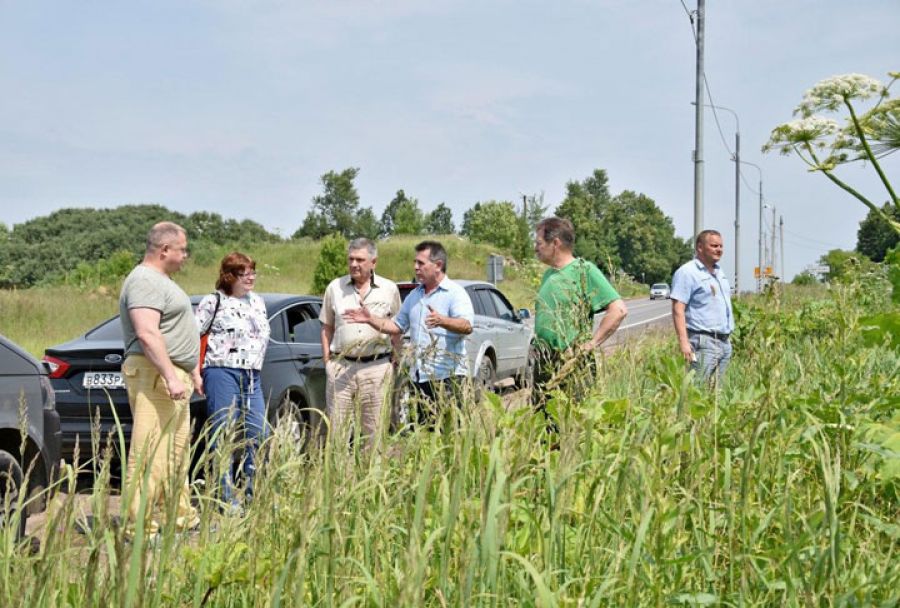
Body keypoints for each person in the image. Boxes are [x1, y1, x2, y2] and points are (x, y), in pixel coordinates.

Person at [119, 221, 200, 537]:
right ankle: (138, 528)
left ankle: (179, 518)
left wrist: (189, 369)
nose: (185, 256)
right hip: (156, 375)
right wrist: (169, 374)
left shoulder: (159, 280)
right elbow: (147, 332)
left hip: (171, 375)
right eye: (182, 249)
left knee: (175, 453)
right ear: (165, 249)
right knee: (151, 453)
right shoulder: (145, 280)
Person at [342, 240, 474, 427]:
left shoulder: (455, 293)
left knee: (452, 437)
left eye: (420, 263)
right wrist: (370, 319)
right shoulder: (414, 296)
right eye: (415, 262)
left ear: (438, 265)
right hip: (420, 379)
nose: (415, 267)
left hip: (448, 379)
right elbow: (396, 326)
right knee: (426, 438)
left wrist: (442, 320)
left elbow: (467, 325)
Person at [195, 252, 270, 509]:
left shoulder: (257, 302)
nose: (250, 277)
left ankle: (255, 492)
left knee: (259, 432)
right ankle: (223, 497)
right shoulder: (213, 301)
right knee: (223, 432)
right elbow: (195, 335)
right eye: (244, 272)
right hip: (221, 371)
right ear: (230, 276)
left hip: (251, 375)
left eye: (252, 271)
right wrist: (196, 372)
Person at [533, 217, 628, 402]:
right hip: (543, 361)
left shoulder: (584, 270)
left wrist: (588, 346)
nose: (535, 248)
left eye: (539, 243)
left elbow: (619, 310)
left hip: (570, 361)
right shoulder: (548, 274)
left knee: (572, 422)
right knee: (542, 423)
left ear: (555, 243)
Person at [319, 238, 400, 448]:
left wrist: (396, 358)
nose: (354, 264)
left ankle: (371, 476)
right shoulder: (335, 288)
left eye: (360, 260)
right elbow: (327, 326)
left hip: (376, 368)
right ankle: (339, 479)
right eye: (351, 259)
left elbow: (397, 328)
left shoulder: (389, 289)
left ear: (373, 262)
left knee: (373, 433)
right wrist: (327, 360)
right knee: (338, 432)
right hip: (341, 367)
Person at [671, 229, 734, 385]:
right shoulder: (688, 272)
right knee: (696, 391)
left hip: (724, 342)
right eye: (714, 246)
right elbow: (678, 309)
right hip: (703, 342)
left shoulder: (719, 273)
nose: (719, 249)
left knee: (718, 395)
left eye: (720, 246)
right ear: (700, 247)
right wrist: (684, 343)